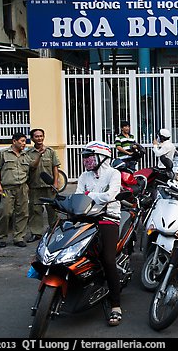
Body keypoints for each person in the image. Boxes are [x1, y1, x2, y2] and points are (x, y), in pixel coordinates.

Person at [75, 140, 124, 326]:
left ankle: (115, 305)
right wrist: (90, 197)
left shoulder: (114, 174)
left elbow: (110, 196)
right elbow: (78, 196)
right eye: (85, 156)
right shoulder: (84, 176)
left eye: (89, 156)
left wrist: (89, 195)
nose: (86, 160)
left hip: (108, 218)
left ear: (102, 157)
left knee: (108, 260)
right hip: (87, 217)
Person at [0, 132, 43, 248]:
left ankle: (18, 238)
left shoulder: (25, 155)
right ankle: (2, 237)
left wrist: (39, 156)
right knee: (5, 213)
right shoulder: (3, 153)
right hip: (7, 188)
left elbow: (33, 166)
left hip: (22, 188)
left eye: (25, 141)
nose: (24, 144)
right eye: (22, 141)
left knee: (23, 214)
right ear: (14, 141)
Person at [26, 128, 61, 243]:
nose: (39, 138)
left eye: (41, 136)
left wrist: (56, 182)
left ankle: (54, 231)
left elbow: (55, 168)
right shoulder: (28, 153)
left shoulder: (50, 151)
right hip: (35, 186)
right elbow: (30, 168)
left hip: (49, 187)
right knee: (35, 211)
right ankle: (36, 233)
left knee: (52, 210)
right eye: (36, 136)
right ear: (32, 139)